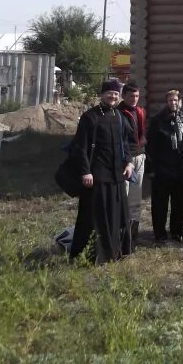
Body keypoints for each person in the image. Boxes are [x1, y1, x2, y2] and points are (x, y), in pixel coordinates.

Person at [69, 79, 134, 264]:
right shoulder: (90, 117)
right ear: (102, 95)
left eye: (115, 94)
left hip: (117, 175)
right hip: (97, 176)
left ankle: (116, 252)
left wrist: (129, 163)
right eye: (109, 93)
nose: (113, 97)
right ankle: (94, 255)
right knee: (96, 217)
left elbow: (127, 142)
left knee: (118, 215)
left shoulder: (120, 116)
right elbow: (80, 147)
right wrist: (85, 171)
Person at [145, 89, 183, 243]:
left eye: (175, 100)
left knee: (179, 204)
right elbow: (150, 147)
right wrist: (151, 169)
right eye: (170, 100)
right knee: (160, 204)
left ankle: (176, 231)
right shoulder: (157, 121)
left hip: (181, 169)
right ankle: (160, 234)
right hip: (163, 169)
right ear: (166, 102)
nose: (173, 103)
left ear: (179, 102)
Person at [118, 83, 147, 245]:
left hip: (139, 156)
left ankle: (133, 231)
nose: (134, 99)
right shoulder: (119, 113)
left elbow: (141, 133)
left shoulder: (139, 112)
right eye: (131, 96)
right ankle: (122, 231)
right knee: (125, 195)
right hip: (125, 160)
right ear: (124, 95)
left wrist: (143, 143)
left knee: (136, 196)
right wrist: (127, 160)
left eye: (136, 96)